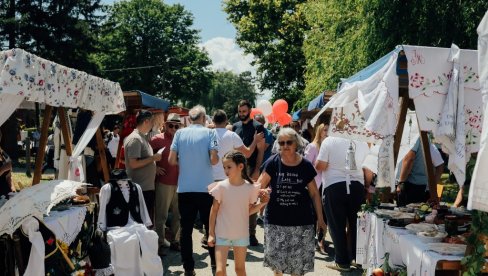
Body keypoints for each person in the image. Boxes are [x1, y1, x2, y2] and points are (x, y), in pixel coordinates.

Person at [258, 128, 326, 276]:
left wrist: (320, 219)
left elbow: (314, 194)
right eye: (281, 143)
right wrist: (260, 193)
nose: (285, 146)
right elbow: (259, 186)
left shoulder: (306, 165)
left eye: (288, 142)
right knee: (278, 268)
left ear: (296, 143)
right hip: (276, 222)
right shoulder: (272, 163)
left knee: (297, 268)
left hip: (301, 222)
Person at [168, 105, 219, 276]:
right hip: (205, 188)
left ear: (189, 119)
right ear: (204, 118)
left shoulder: (180, 133)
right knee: (210, 227)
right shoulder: (210, 133)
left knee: (186, 229)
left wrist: (186, 162)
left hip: (185, 188)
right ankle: (214, 265)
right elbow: (213, 160)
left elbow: (171, 160)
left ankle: (188, 268)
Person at [207, 150, 268, 276]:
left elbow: (248, 211)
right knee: (219, 271)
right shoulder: (220, 187)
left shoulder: (250, 188)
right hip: (222, 233)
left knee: (240, 270)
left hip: (241, 234)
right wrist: (211, 234)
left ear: (240, 166)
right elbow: (213, 211)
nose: (226, 170)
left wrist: (262, 203)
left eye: (229, 167)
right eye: (224, 167)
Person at [315, 136, 369, 271]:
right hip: (357, 186)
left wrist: (331, 164)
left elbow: (319, 165)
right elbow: (368, 170)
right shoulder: (362, 142)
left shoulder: (329, 140)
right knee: (356, 225)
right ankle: (358, 259)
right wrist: (366, 187)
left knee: (336, 225)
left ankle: (342, 261)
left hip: (334, 186)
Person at [98, 169, 163, 275]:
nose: (122, 182)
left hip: (136, 224)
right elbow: (102, 210)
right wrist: (101, 229)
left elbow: (142, 206)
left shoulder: (136, 187)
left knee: (150, 237)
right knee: (125, 242)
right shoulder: (107, 189)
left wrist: (147, 223)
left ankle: (148, 271)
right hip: (116, 226)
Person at [232, 100, 265, 246]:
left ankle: (251, 233)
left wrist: (258, 169)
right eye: (240, 111)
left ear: (250, 111)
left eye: (244, 111)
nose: (241, 114)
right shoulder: (235, 126)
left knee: (251, 200)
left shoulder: (258, 127)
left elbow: (261, 150)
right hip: (236, 169)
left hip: (251, 167)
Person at [150, 113, 182, 253]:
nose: (173, 128)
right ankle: (160, 243)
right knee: (161, 215)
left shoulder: (183, 140)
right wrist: (154, 167)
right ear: (165, 125)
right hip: (163, 182)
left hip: (180, 183)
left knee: (178, 215)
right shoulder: (157, 139)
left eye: (176, 125)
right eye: (171, 125)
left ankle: (175, 241)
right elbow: (145, 156)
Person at [124, 110, 162, 223]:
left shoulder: (141, 137)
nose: (153, 125)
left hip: (144, 188)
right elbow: (133, 163)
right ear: (146, 121)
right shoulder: (135, 139)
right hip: (140, 189)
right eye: (152, 122)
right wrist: (153, 158)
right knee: (139, 222)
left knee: (142, 222)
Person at [396, 137, 444, 206]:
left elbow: (409, 159)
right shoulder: (425, 139)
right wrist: (431, 188)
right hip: (417, 187)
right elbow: (440, 164)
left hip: (409, 186)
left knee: (406, 214)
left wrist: (401, 183)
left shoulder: (416, 135)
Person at [303, 123, 328, 254]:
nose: (327, 132)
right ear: (319, 131)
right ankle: (310, 241)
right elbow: (305, 166)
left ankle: (321, 241)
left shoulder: (330, 147)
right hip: (314, 185)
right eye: (325, 130)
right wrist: (319, 167)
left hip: (327, 184)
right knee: (313, 215)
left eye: (329, 130)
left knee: (324, 215)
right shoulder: (312, 147)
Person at [0, 130, 13, 198]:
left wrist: (12, 191)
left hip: (6, 195)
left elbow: (8, 176)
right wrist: (3, 169)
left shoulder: (3, 154)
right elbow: (5, 168)